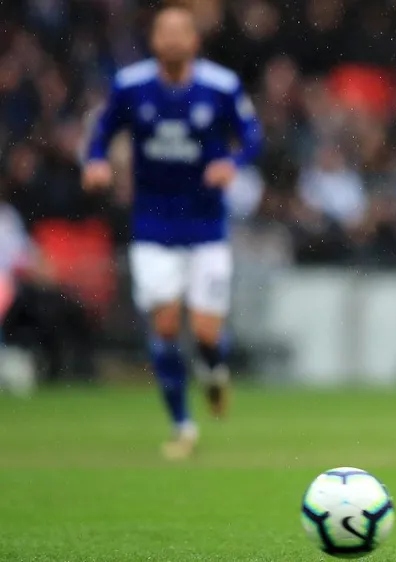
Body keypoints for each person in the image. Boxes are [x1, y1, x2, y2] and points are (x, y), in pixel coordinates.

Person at [82, 3, 263, 460]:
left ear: (194, 41)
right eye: (165, 32)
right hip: (153, 225)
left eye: (182, 32)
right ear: (155, 40)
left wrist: (232, 162)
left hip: (206, 227)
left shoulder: (221, 86)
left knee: (205, 331)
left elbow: (253, 134)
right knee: (164, 326)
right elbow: (103, 130)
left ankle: (215, 376)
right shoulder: (131, 86)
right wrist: (97, 160)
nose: (174, 40)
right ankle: (183, 425)